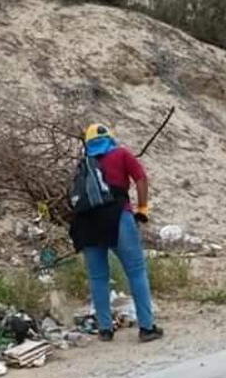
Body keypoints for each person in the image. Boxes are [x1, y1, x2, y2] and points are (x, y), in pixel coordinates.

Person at [68, 124, 163, 343]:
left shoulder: (84, 163)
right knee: (136, 271)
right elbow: (141, 178)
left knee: (98, 277)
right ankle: (147, 327)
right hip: (117, 216)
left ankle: (105, 329)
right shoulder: (121, 154)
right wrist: (142, 209)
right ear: (110, 138)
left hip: (86, 224)